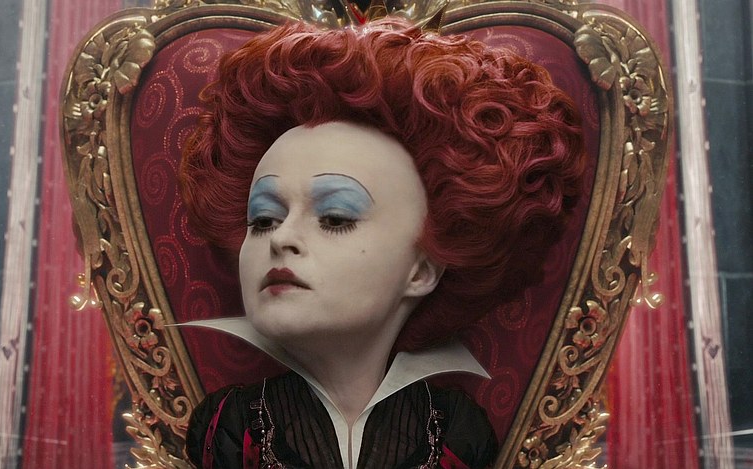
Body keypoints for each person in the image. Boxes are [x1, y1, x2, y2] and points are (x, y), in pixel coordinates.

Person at [178, 18, 584, 469]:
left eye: (335, 217)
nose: (282, 239)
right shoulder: (228, 429)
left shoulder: (455, 432)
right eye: (263, 219)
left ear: (422, 270)